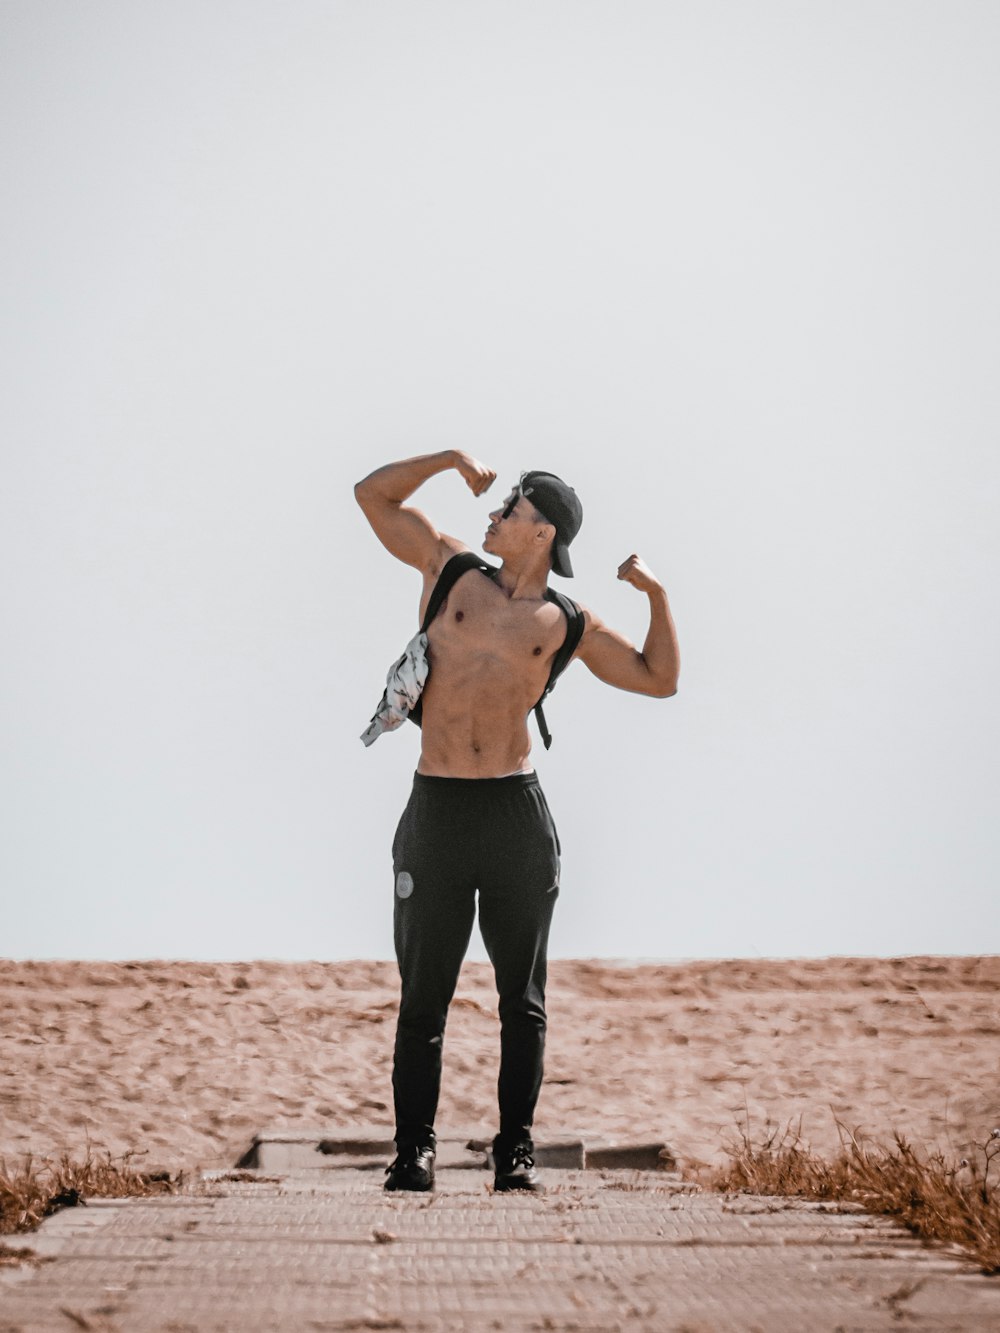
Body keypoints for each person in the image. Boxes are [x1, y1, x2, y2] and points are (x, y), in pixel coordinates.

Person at [354, 450, 680, 1193]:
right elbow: (371, 496)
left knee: (522, 1001)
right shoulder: (449, 571)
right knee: (423, 996)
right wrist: (447, 462)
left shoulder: (564, 622)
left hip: (514, 816)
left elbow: (659, 678)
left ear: (543, 533)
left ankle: (516, 1151)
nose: (494, 515)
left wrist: (657, 594)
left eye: (512, 508)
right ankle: (414, 1152)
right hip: (437, 809)